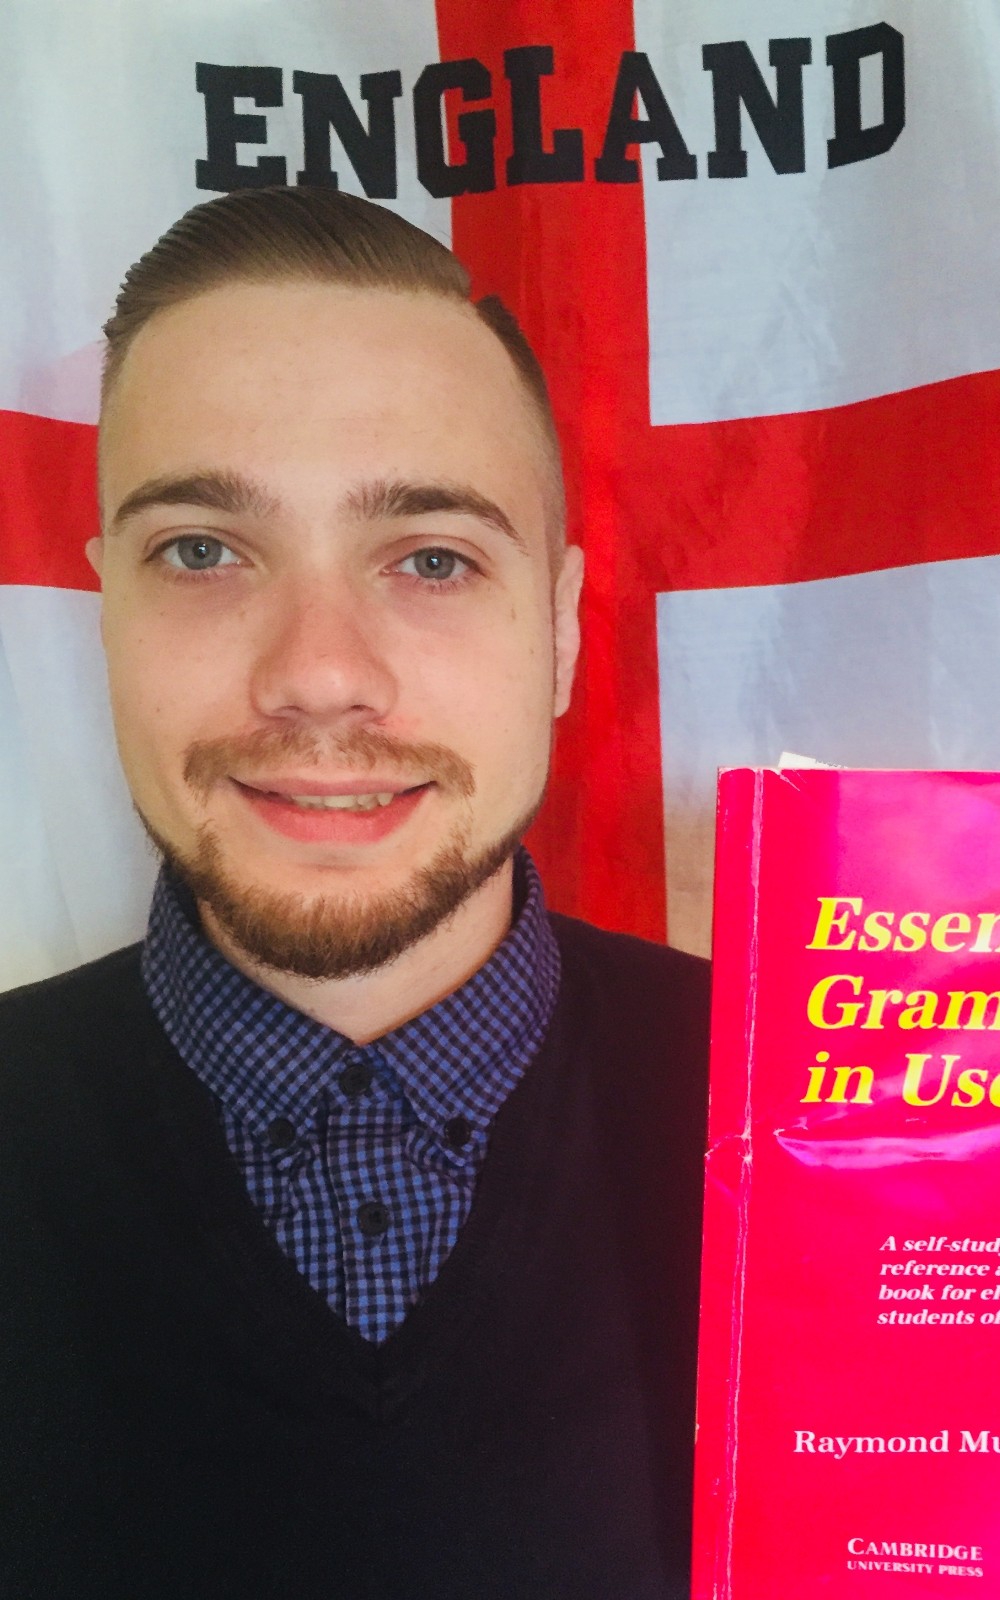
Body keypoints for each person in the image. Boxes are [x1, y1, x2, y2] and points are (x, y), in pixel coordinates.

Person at [0, 187, 709, 1599]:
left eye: (433, 558)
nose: (319, 674)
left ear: (561, 633)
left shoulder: (854, 1139)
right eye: (201, 550)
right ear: (106, 610)